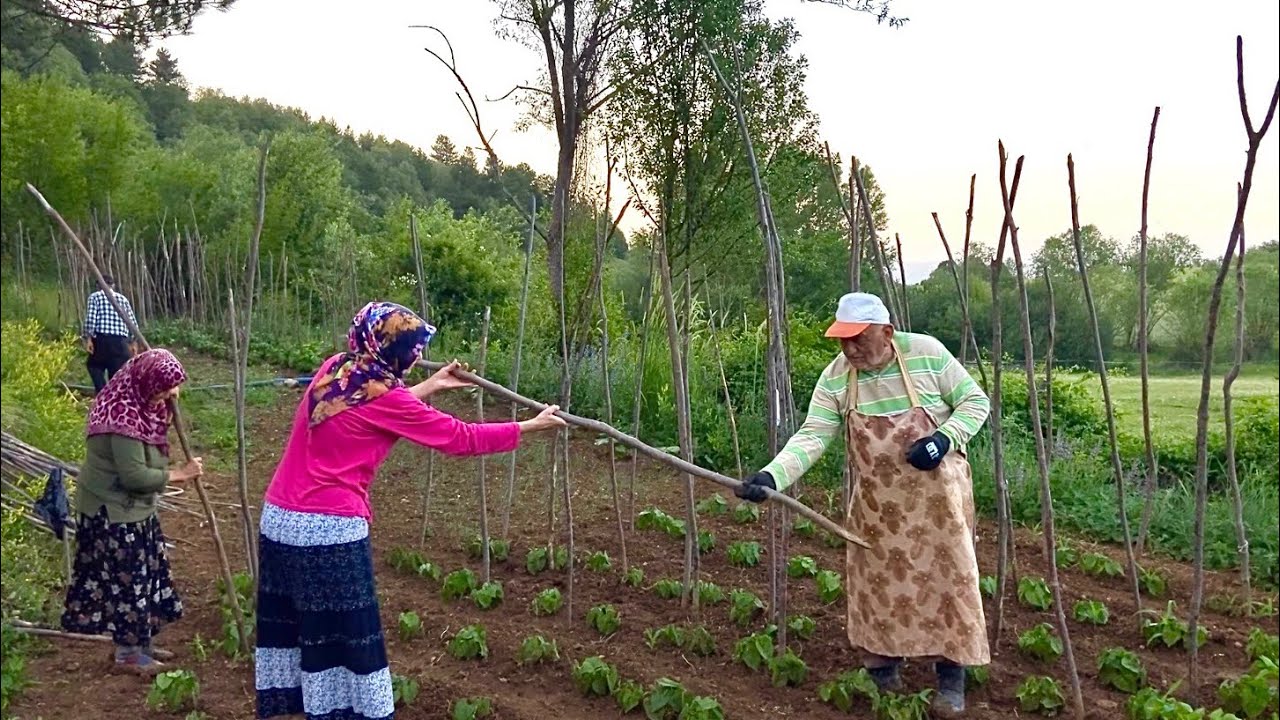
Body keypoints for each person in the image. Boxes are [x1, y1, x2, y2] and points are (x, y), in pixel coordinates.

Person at [255, 301, 567, 720]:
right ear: (388, 347)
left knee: (303, 629)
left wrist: (431, 386)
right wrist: (531, 426)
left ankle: (306, 707)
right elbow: (459, 438)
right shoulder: (386, 397)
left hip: (279, 520)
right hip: (326, 530)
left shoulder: (339, 369)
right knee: (346, 640)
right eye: (412, 346)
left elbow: (371, 407)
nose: (417, 355)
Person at [736, 292, 991, 717]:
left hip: (939, 505)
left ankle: (950, 679)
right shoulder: (837, 377)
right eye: (843, 340)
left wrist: (944, 440)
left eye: (859, 339)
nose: (850, 349)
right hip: (878, 508)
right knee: (879, 586)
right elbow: (813, 434)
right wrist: (772, 476)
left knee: (949, 583)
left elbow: (975, 402)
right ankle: (882, 672)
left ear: (887, 333)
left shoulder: (926, 354)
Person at [61, 349, 204, 674]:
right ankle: (127, 654)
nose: (170, 395)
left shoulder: (141, 401)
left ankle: (141, 643)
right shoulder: (122, 418)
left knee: (147, 576)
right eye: (164, 388)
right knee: (128, 581)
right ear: (145, 382)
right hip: (111, 514)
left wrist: (167, 395)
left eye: (173, 388)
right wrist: (179, 474)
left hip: (134, 511)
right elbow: (135, 477)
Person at [83, 275, 140, 394]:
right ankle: (112, 399)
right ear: (113, 285)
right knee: (116, 376)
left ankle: (102, 392)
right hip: (121, 344)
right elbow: (132, 323)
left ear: (98, 286)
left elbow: (91, 319)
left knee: (94, 366)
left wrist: (88, 338)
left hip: (102, 340)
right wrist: (134, 342)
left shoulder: (95, 297)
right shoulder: (123, 299)